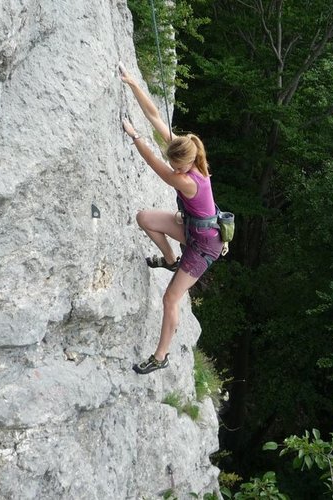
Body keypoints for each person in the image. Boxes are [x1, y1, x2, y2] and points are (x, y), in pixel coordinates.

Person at [120, 65, 224, 375]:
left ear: (186, 164)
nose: (174, 168)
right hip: (193, 230)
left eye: (177, 166)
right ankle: (168, 259)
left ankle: (161, 355)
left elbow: (158, 168)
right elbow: (155, 115)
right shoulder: (186, 148)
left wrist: (136, 137)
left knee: (170, 298)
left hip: (204, 247)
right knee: (144, 218)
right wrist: (133, 83)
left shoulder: (188, 180)